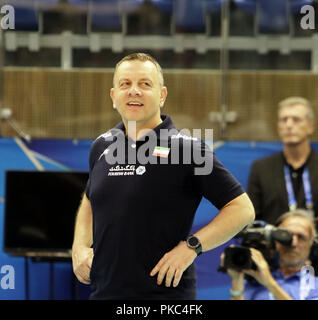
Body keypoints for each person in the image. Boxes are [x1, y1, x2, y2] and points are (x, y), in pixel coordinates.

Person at [71, 52, 255, 300]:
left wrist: (192, 247)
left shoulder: (187, 149)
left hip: (164, 296)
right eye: (125, 84)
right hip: (104, 293)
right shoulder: (102, 146)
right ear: (114, 96)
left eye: (145, 84)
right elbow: (90, 199)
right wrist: (79, 247)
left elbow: (242, 209)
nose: (134, 91)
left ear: (162, 96)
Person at [247, 97, 318, 224]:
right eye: (284, 120)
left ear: (311, 127)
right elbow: (252, 221)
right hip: (273, 242)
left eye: (296, 120)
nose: (289, 125)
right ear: (278, 126)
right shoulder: (261, 169)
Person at [223, 210, 318, 300]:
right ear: (275, 241)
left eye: (301, 237)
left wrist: (269, 283)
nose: (293, 243)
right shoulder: (255, 278)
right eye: (286, 236)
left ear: (311, 245)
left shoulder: (314, 285)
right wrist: (237, 282)